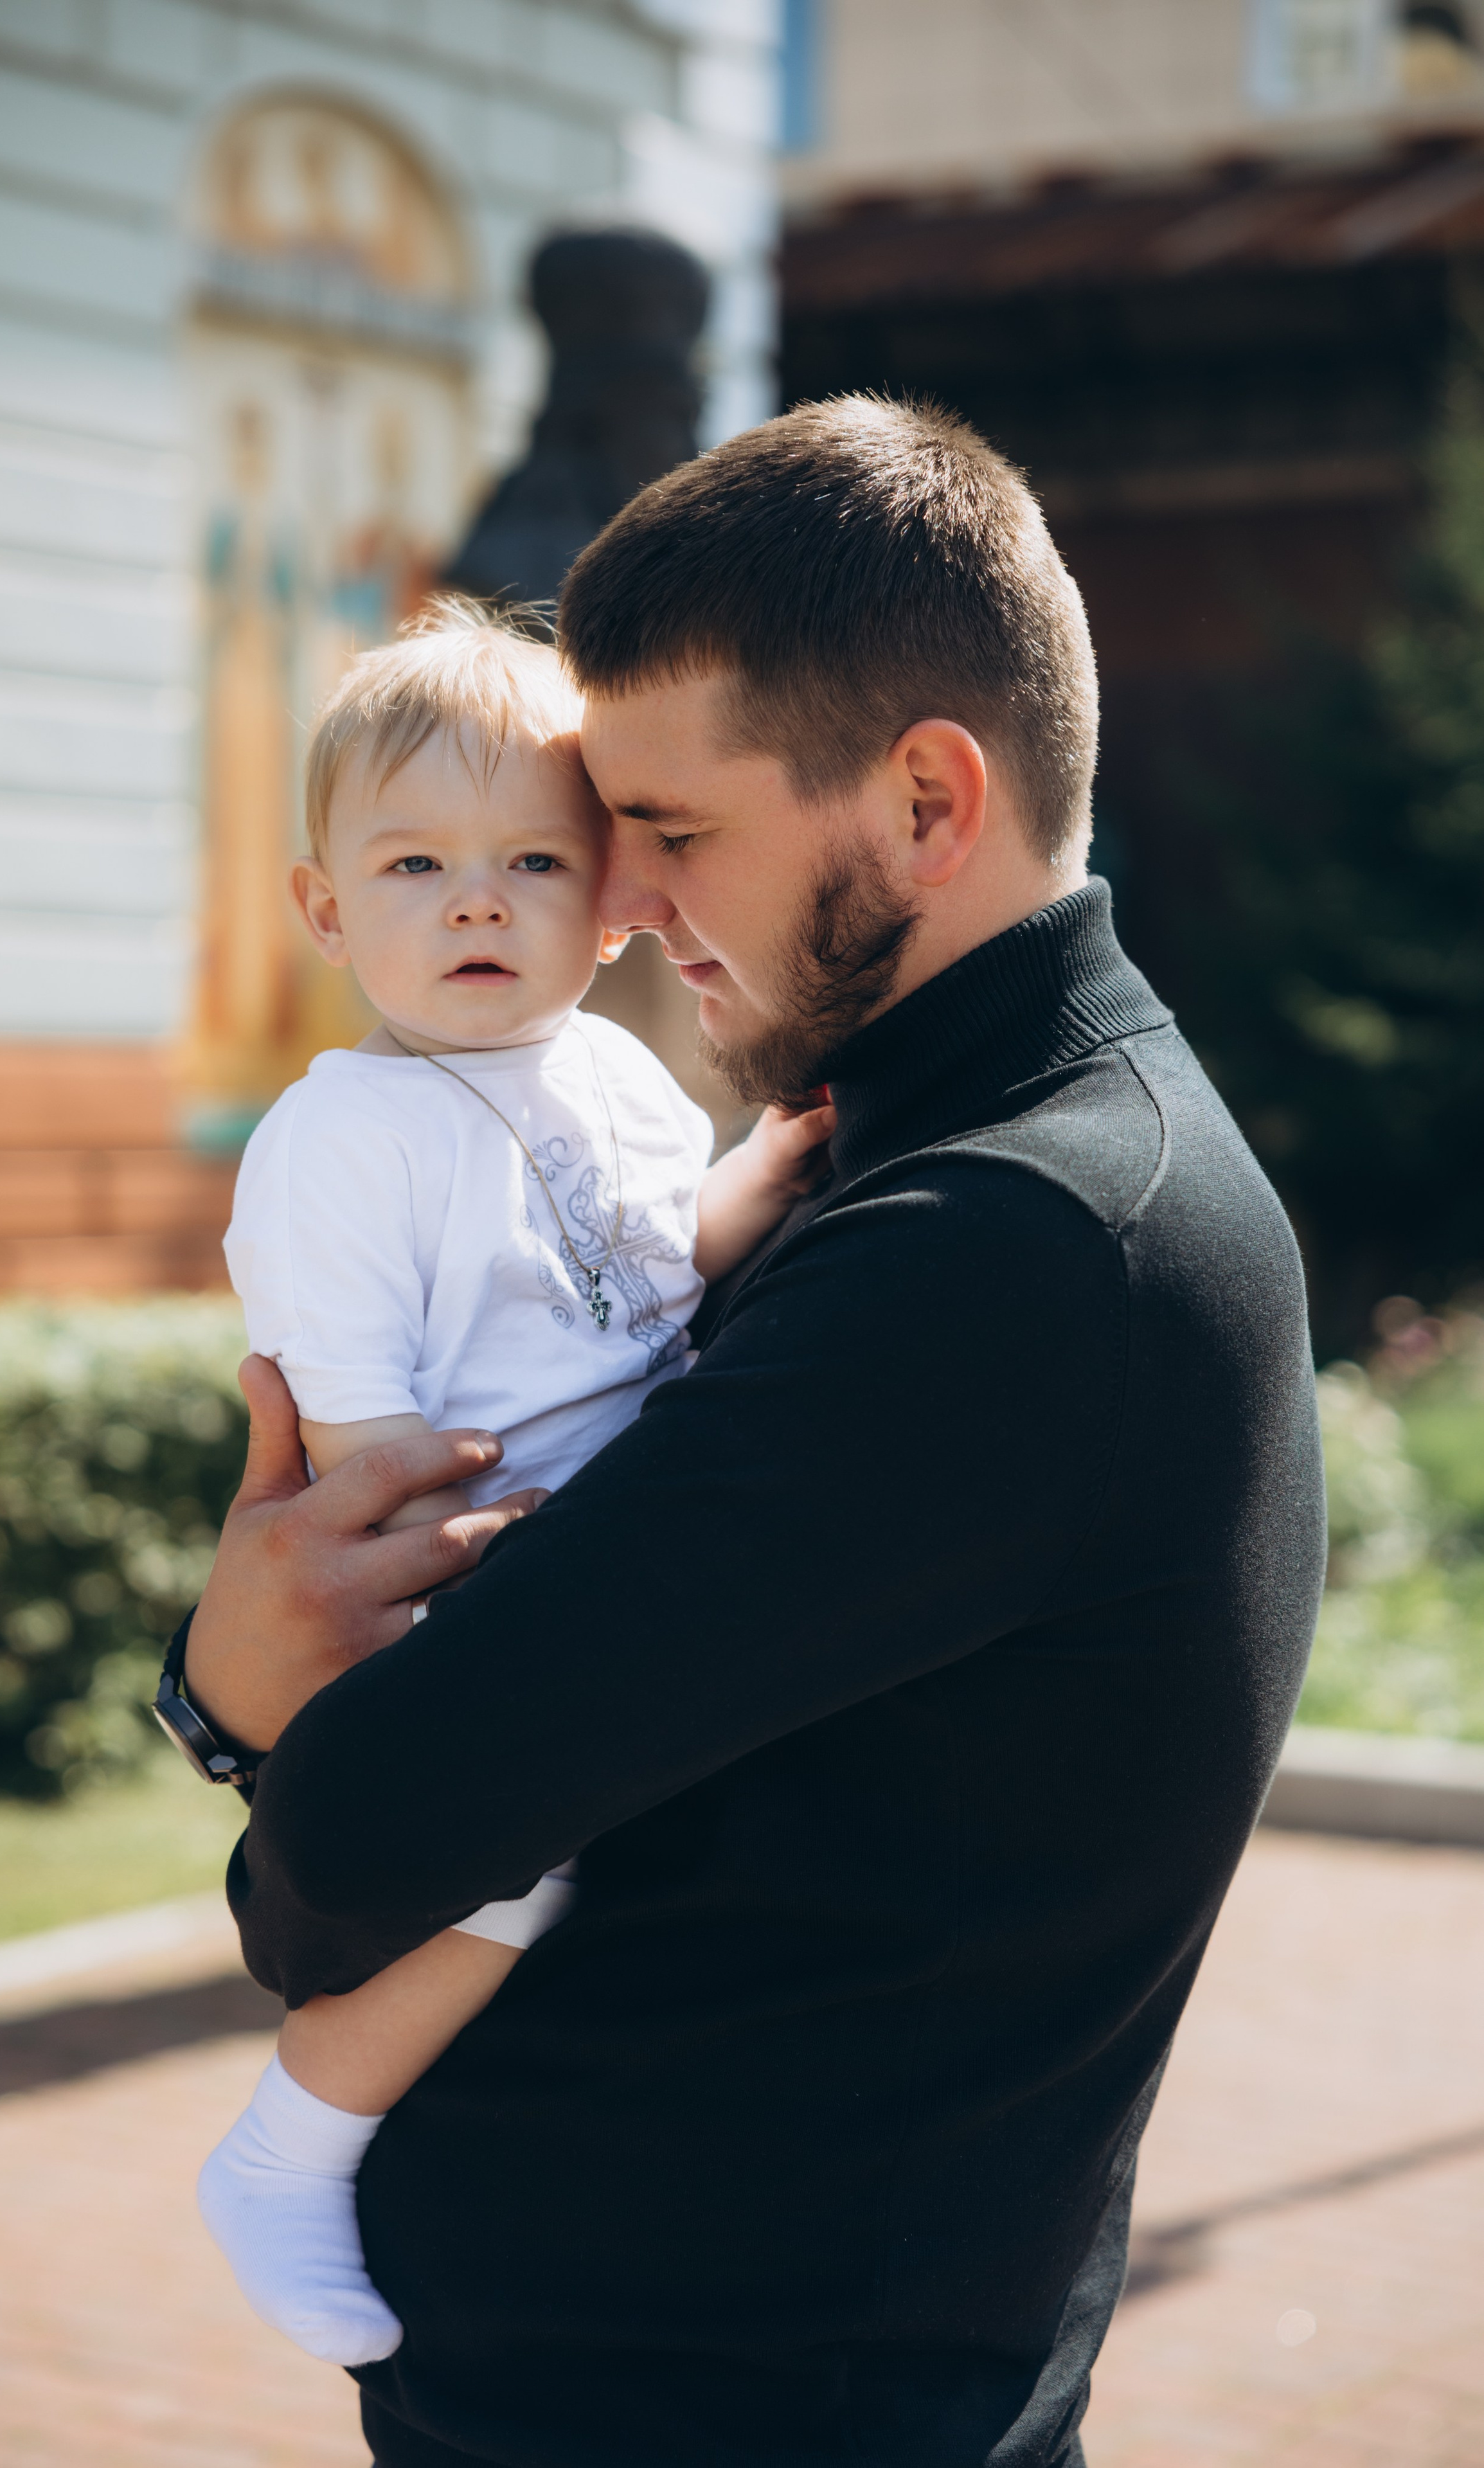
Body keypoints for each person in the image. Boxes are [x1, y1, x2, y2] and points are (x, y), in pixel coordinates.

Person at [175, 397, 1326, 2467]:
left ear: (923, 799)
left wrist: (237, 1698)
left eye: (673, 830)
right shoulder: (958, 1165)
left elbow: (336, 1864)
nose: (612, 888)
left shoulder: (1015, 1249)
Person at [193, 603, 832, 2366]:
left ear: (609, 891)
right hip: (472, 1586)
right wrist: (458, 1617)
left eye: (531, 859)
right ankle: (292, 2146)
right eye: (413, 864)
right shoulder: (338, 1140)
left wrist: (774, 1165)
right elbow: (356, 1434)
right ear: (328, 911)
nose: (477, 902)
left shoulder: (621, 1078)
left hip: (633, 1567)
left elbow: (650, 1277)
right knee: (514, 1866)